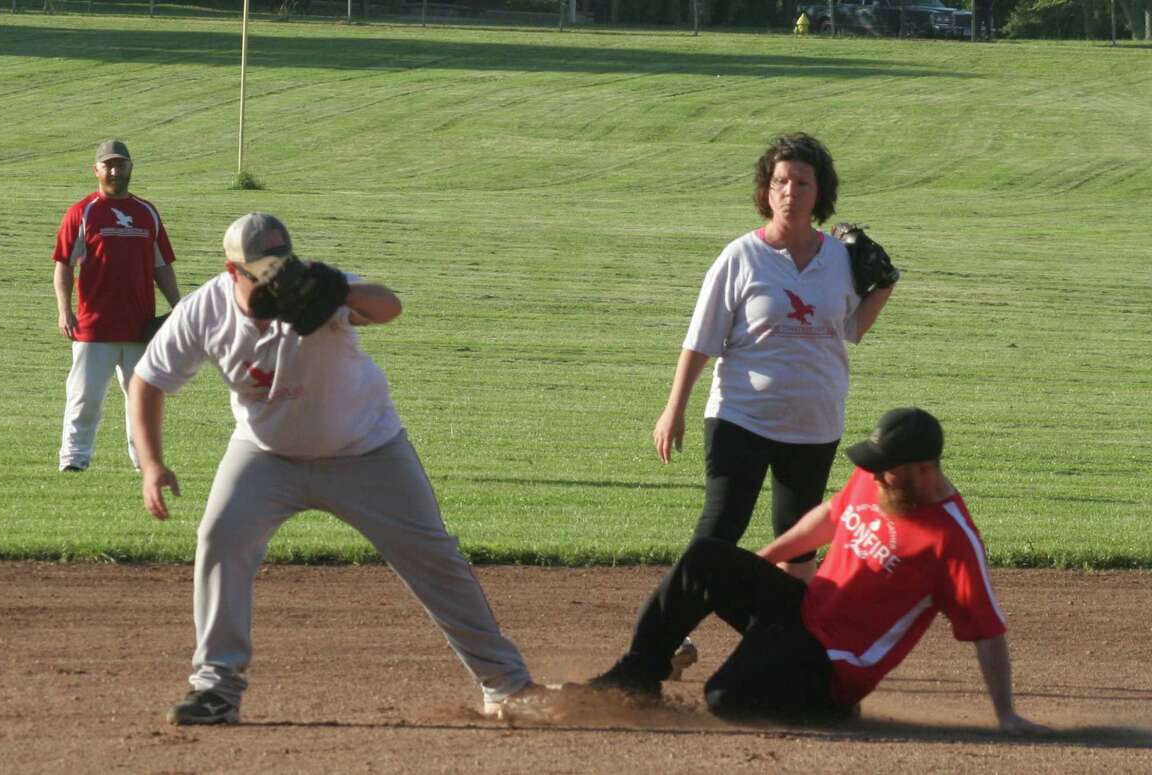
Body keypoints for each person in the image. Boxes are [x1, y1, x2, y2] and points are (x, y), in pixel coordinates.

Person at [130, 213, 544, 724]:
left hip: (367, 451)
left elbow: (390, 306)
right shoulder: (204, 310)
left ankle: (505, 685)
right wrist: (151, 464)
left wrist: (340, 292)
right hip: (265, 456)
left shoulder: (317, 284)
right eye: (261, 268)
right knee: (220, 539)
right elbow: (148, 381)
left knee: (434, 557)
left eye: (281, 264)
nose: (276, 277)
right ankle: (216, 688)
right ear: (232, 269)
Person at [588, 408, 1049, 733]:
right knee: (707, 556)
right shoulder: (880, 482)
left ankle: (831, 714)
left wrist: (1005, 713)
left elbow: (987, 629)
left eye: (886, 470)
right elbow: (830, 516)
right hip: (800, 611)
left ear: (923, 469)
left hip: (832, 668)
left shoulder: (952, 540)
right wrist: (755, 566)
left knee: (725, 700)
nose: (875, 476)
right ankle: (635, 678)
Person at [653, 133, 894, 583]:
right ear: (766, 191)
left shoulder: (841, 261)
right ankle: (667, 634)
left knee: (798, 539)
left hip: (814, 421)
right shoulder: (741, 257)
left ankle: (789, 642)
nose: (790, 192)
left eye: (802, 183)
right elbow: (701, 339)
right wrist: (675, 409)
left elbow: (849, 329)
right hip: (742, 415)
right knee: (720, 530)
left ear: (819, 193)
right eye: (780, 181)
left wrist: (884, 286)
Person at [52, 139, 181, 472]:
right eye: (107, 164)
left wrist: (178, 305)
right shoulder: (82, 212)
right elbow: (64, 266)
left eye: (120, 164)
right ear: (96, 169)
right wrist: (65, 310)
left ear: (130, 168)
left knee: (142, 400)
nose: (114, 170)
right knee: (84, 398)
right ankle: (74, 459)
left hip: (141, 328)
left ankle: (144, 462)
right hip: (94, 327)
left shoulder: (146, 213)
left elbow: (161, 267)